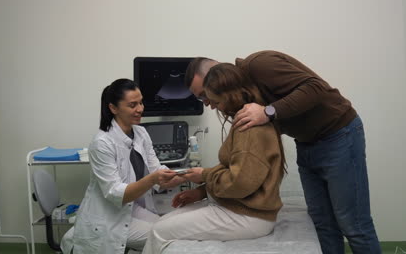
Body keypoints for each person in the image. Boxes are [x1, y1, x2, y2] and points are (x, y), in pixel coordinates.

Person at [184, 50, 381, 254]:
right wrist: (203, 189)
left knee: (354, 225)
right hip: (306, 143)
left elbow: (316, 88)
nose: (209, 103)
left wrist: (269, 112)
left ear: (218, 75)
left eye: (205, 94)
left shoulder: (260, 65)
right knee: (322, 222)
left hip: (339, 134)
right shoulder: (246, 100)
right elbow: (242, 169)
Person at [141, 63, 286, 254]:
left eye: (216, 102)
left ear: (230, 94)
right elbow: (236, 169)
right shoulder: (247, 120)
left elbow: (240, 183)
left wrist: (205, 176)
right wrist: (202, 192)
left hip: (250, 216)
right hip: (239, 207)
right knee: (163, 222)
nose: (214, 107)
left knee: (159, 231)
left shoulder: (249, 128)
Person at [66, 79, 186, 254]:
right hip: (109, 218)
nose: (140, 109)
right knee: (165, 237)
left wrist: (181, 176)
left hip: (132, 210)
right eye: (132, 105)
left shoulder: (140, 132)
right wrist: (153, 179)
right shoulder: (102, 143)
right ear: (113, 108)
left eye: (141, 102)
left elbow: (156, 169)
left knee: (171, 229)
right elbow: (116, 193)